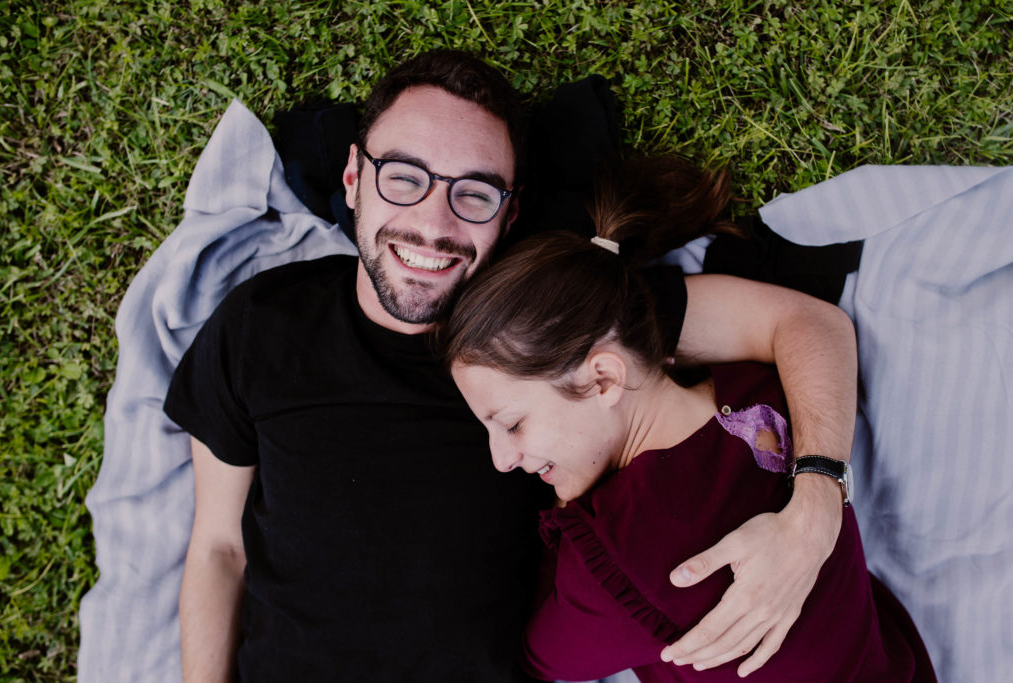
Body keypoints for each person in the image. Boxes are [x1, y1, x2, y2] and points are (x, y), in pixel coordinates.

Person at [160, 50, 856, 681]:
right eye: (404, 177)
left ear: (510, 212)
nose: (434, 225)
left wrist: (816, 505)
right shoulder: (263, 323)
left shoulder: (553, 322)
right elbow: (219, 547)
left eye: (474, 192)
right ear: (352, 177)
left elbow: (808, 325)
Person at [443, 155, 936, 682]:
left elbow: (543, 658)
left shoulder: (613, 560)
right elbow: (800, 330)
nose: (500, 459)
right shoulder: (762, 388)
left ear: (604, 379)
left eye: (513, 424)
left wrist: (566, 505)